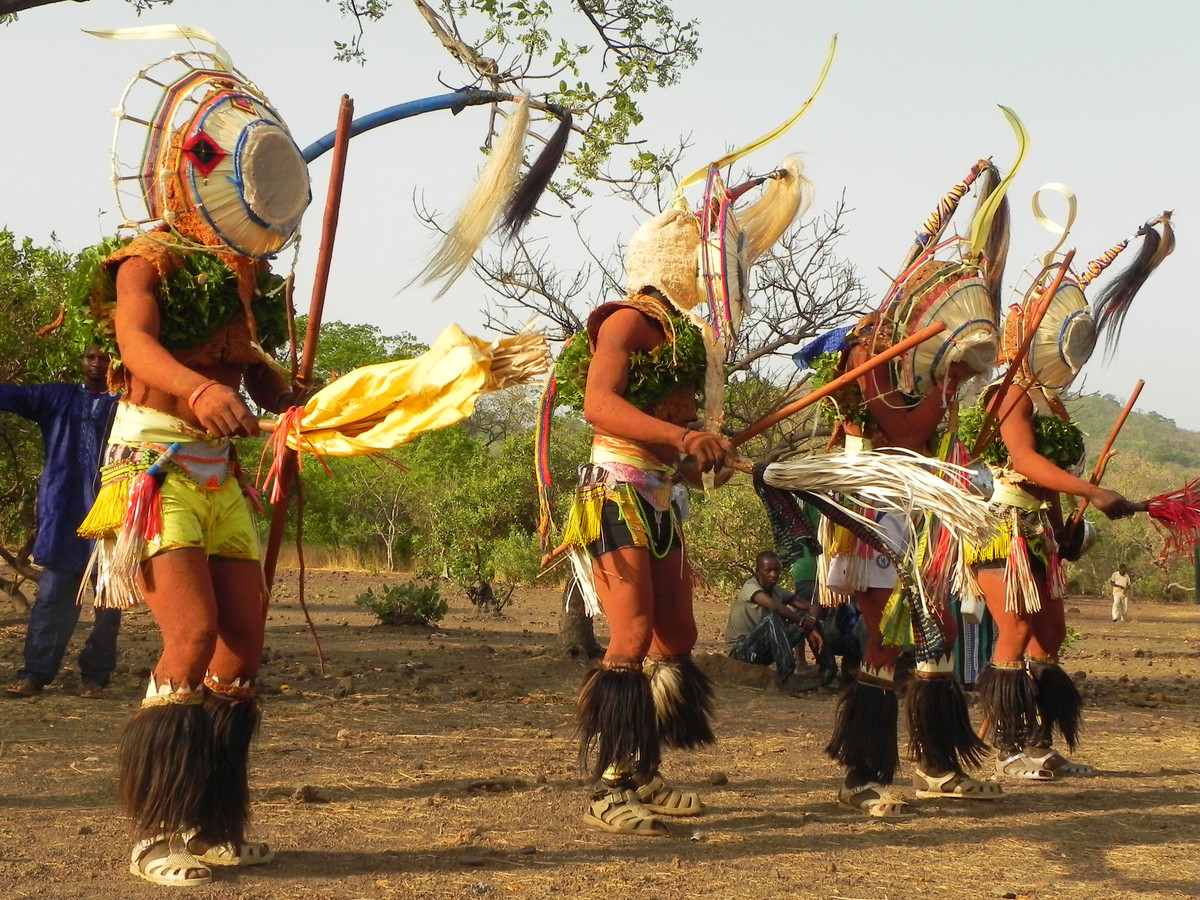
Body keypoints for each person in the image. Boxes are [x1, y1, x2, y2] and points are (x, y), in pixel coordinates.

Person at [71, 46, 316, 887]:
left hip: (221, 478)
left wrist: (285, 393)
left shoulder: (239, 274)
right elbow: (135, 342)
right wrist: (190, 389)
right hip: (155, 473)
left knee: (243, 649)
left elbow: (245, 365)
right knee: (193, 635)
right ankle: (155, 832)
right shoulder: (147, 261)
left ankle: (213, 822)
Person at [546, 157, 808, 835]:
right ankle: (607, 787)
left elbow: (676, 445)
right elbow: (600, 406)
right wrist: (681, 438)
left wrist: (704, 456)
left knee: (676, 636)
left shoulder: (684, 341)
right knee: (630, 634)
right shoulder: (626, 324)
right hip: (615, 496)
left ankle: (644, 773)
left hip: (658, 500)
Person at [811, 158, 1015, 818]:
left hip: (915, 508)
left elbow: (928, 443)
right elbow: (901, 436)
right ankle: (863, 774)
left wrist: (951, 382)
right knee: (887, 640)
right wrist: (949, 385)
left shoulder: (918, 357)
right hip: (870, 507)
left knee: (939, 632)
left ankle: (935, 764)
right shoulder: (868, 352)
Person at [967, 212, 1172, 782]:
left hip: (1036, 532)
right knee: (1015, 629)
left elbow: (1048, 480)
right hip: (999, 528)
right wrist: (1094, 489)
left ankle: (1040, 743)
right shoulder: (1006, 395)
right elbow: (1027, 463)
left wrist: (1065, 529)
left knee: (1050, 633)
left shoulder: (1047, 402)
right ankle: (1010, 750)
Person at [2, 347, 120, 698]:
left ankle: (95, 677)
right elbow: (12, 395)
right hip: (63, 513)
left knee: (108, 602)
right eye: (91, 357)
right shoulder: (57, 396)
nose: (98, 364)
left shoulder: (127, 404)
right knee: (53, 598)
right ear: (82, 361)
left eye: (105, 358)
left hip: (111, 516)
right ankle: (35, 674)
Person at [726, 551, 823, 692]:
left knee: (806, 621)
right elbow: (775, 607)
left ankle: (828, 671)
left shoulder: (777, 591)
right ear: (757, 572)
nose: (774, 574)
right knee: (774, 618)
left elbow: (811, 606)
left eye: (777, 570)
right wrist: (803, 622)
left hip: (761, 651)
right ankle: (786, 676)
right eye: (768, 571)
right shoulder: (750, 587)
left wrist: (812, 622)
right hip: (741, 652)